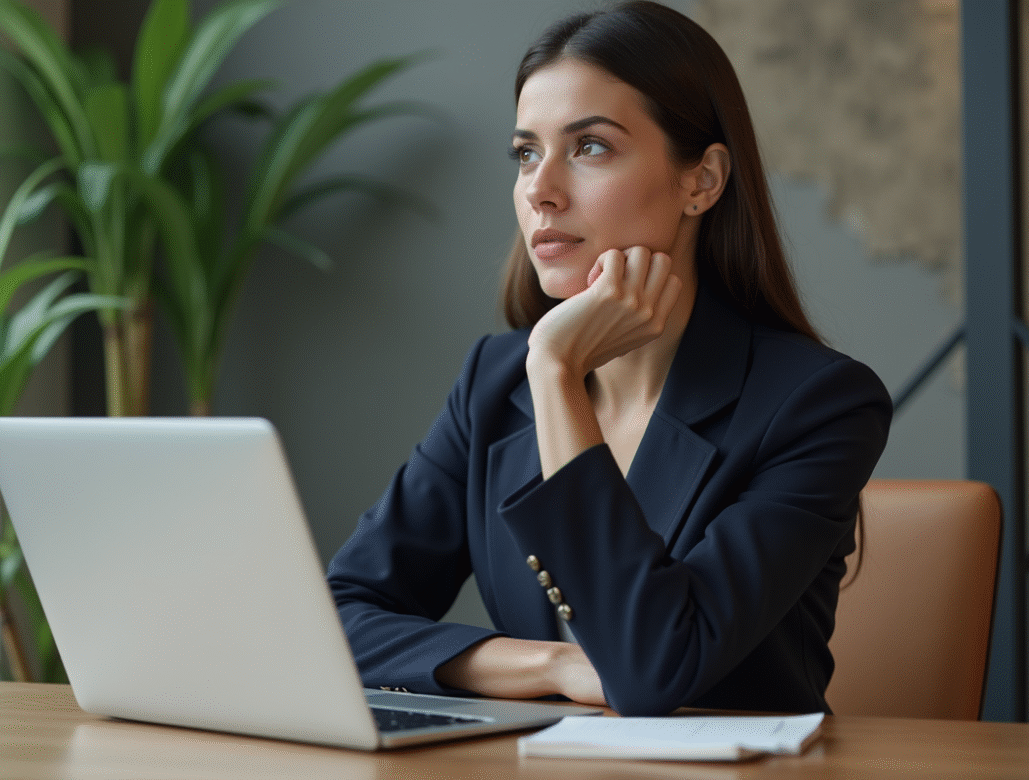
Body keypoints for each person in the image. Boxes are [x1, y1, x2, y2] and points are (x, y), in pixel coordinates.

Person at [326, 0, 892, 717]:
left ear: (702, 181)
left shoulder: (819, 404)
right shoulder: (493, 384)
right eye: (526, 152)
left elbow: (654, 669)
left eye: (590, 146)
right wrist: (553, 665)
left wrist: (558, 372)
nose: (540, 189)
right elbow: (338, 619)